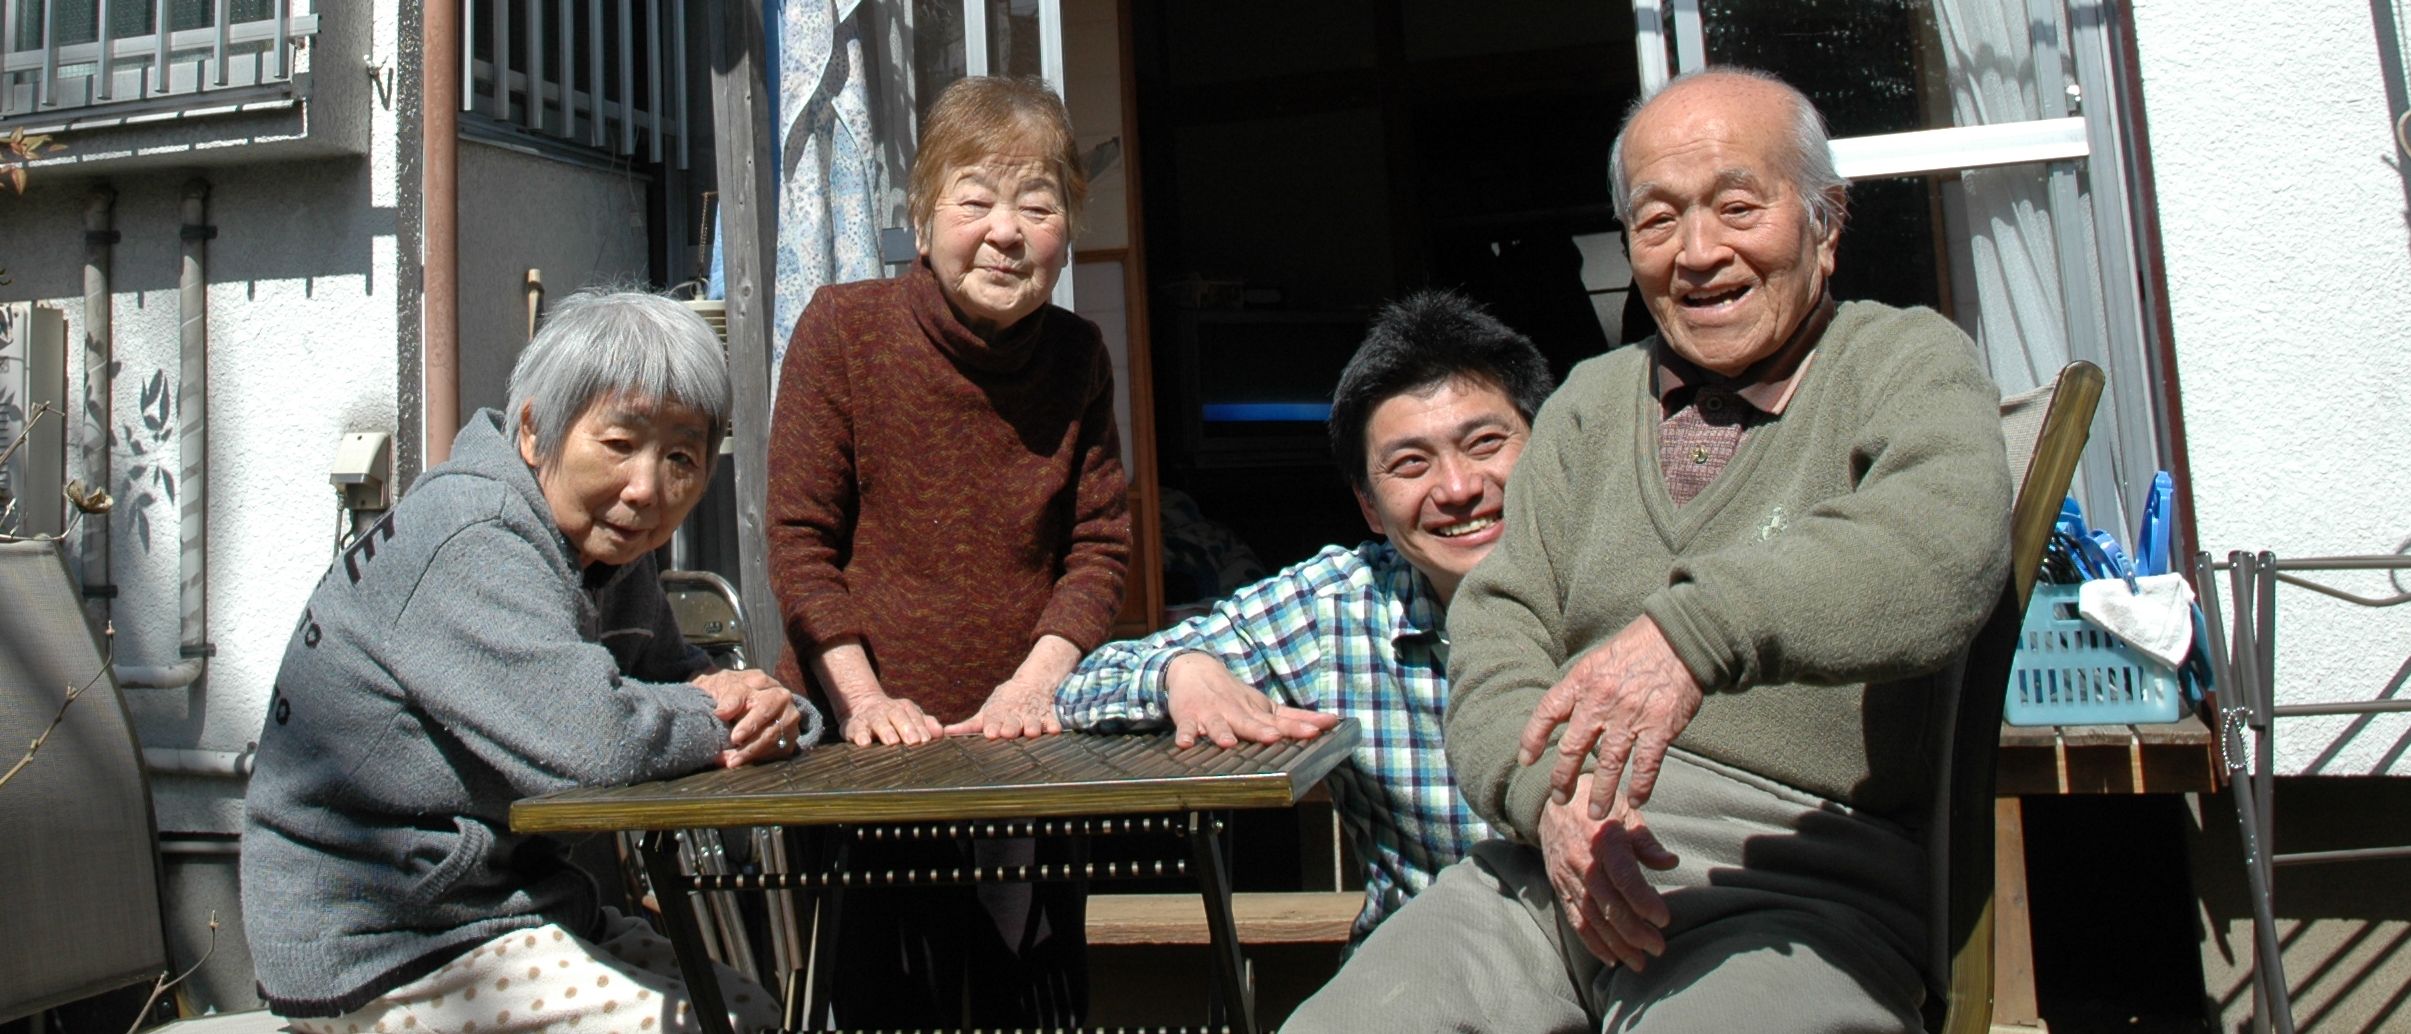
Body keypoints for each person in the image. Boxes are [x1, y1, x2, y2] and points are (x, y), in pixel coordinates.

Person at [1284, 67, 2011, 1034]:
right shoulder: (1587, 404)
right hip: (1547, 879)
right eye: (1658, 223)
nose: (1698, 253)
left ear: (1827, 224)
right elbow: (1498, 636)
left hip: (1794, 888)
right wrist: (1549, 804)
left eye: (1738, 207)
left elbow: (1940, 549)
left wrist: (1689, 637)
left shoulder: (1904, 362)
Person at [243, 290, 811, 1034]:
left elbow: (677, 683)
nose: (646, 488)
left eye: (681, 457)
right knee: (716, 1026)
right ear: (536, 431)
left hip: (506, 907)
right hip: (387, 941)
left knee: (752, 1011)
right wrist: (720, 712)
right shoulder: (472, 538)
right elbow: (594, 739)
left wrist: (778, 710)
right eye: (619, 444)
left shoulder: (603, 547)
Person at [766, 74, 1131, 1027]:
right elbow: (800, 543)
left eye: (1037, 204)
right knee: (885, 998)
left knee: (1037, 998)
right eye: (975, 199)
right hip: (864, 759)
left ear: (1065, 233)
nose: (1006, 230)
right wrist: (864, 700)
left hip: (1027, 750)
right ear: (923, 222)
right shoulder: (844, 328)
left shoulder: (1078, 357)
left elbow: (1097, 549)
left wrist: (1036, 684)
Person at [1057, 290, 1553, 942]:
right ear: (1371, 507)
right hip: (1428, 971)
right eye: (1411, 463)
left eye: (1485, 443)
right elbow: (1089, 683)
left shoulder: (1638, 577)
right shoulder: (1338, 611)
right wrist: (1181, 670)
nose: (1458, 488)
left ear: (1551, 451)